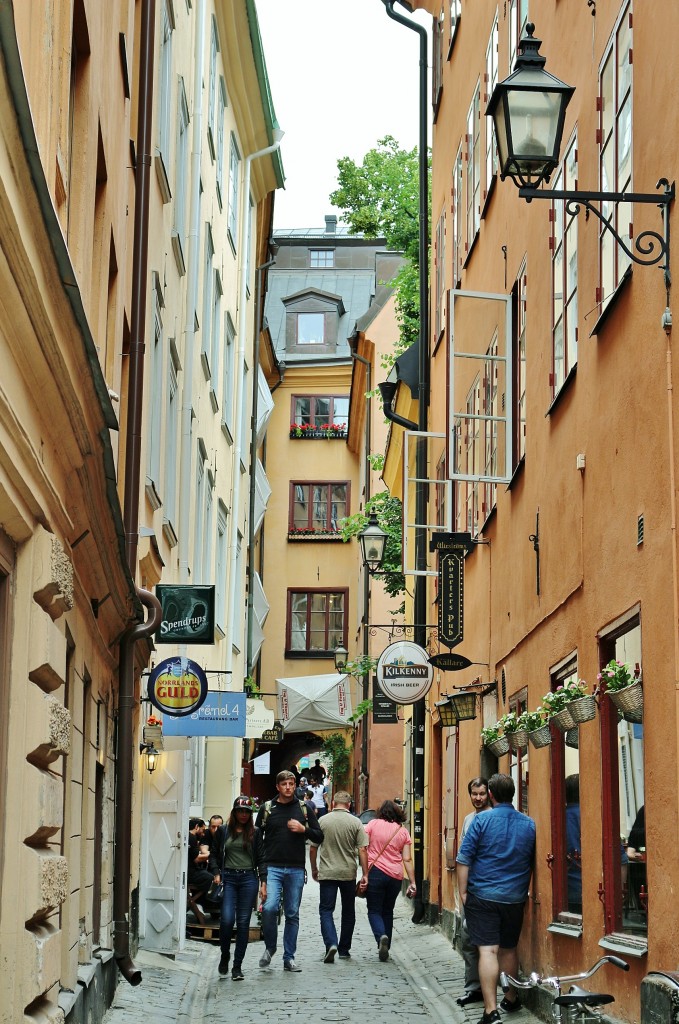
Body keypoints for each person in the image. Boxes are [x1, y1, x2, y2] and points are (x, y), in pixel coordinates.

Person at [456, 773, 536, 1024]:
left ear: (490, 794)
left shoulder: (481, 821)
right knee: (509, 949)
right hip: (514, 896)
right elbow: (531, 861)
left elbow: (463, 858)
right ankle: (510, 998)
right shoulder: (529, 823)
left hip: (483, 894)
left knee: (488, 950)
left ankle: (490, 1010)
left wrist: (463, 892)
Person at [255, 769, 323, 972]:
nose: (288, 788)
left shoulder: (303, 808)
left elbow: (319, 836)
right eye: (284, 784)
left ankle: (289, 957)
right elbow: (257, 840)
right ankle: (270, 947)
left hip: (295, 868)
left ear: (295, 786)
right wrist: (261, 874)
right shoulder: (267, 808)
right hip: (273, 866)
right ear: (278, 787)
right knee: (269, 908)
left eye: (291, 784)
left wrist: (304, 830)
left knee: (292, 913)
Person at [309, 790, 369, 962]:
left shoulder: (322, 821)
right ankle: (344, 949)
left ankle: (331, 943)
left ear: (333, 804)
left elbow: (313, 848)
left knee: (326, 910)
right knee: (348, 911)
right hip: (348, 873)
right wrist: (365, 874)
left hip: (327, 872)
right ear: (349, 804)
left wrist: (314, 868)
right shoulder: (356, 822)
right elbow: (362, 849)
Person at [210, 797, 263, 980]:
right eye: (240, 811)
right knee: (226, 920)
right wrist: (217, 872)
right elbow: (214, 855)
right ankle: (225, 955)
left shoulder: (255, 833)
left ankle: (237, 967)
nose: (243, 814)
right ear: (234, 812)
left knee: (243, 923)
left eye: (246, 812)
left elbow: (261, 858)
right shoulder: (223, 831)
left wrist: (263, 883)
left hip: (248, 878)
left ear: (250, 814)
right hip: (229, 879)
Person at [359, 799, 416, 962]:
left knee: (374, 910)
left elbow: (362, 847)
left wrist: (364, 873)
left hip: (376, 871)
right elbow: (407, 859)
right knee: (388, 910)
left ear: (380, 812)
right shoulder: (402, 831)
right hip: (395, 876)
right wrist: (412, 882)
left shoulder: (372, 824)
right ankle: (387, 945)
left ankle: (381, 937)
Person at [456, 777, 491, 1008]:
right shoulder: (469, 819)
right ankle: (473, 988)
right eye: (474, 794)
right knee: (468, 940)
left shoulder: (492, 817)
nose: (478, 798)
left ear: (489, 794)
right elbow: (462, 855)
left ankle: (493, 989)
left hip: (486, 888)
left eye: (482, 794)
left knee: (488, 944)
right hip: (470, 889)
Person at [187, 818, 215, 923]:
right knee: (210, 878)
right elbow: (197, 858)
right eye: (202, 830)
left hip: (190, 870)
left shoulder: (189, 837)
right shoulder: (192, 837)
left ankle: (195, 901)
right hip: (191, 872)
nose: (203, 833)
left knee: (205, 875)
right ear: (196, 827)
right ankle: (196, 902)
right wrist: (211, 855)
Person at [565, 774, 582, 914]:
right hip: (597, 891)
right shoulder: (595, 816)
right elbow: (621, 859)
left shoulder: (559, 819)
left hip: (567, 890)